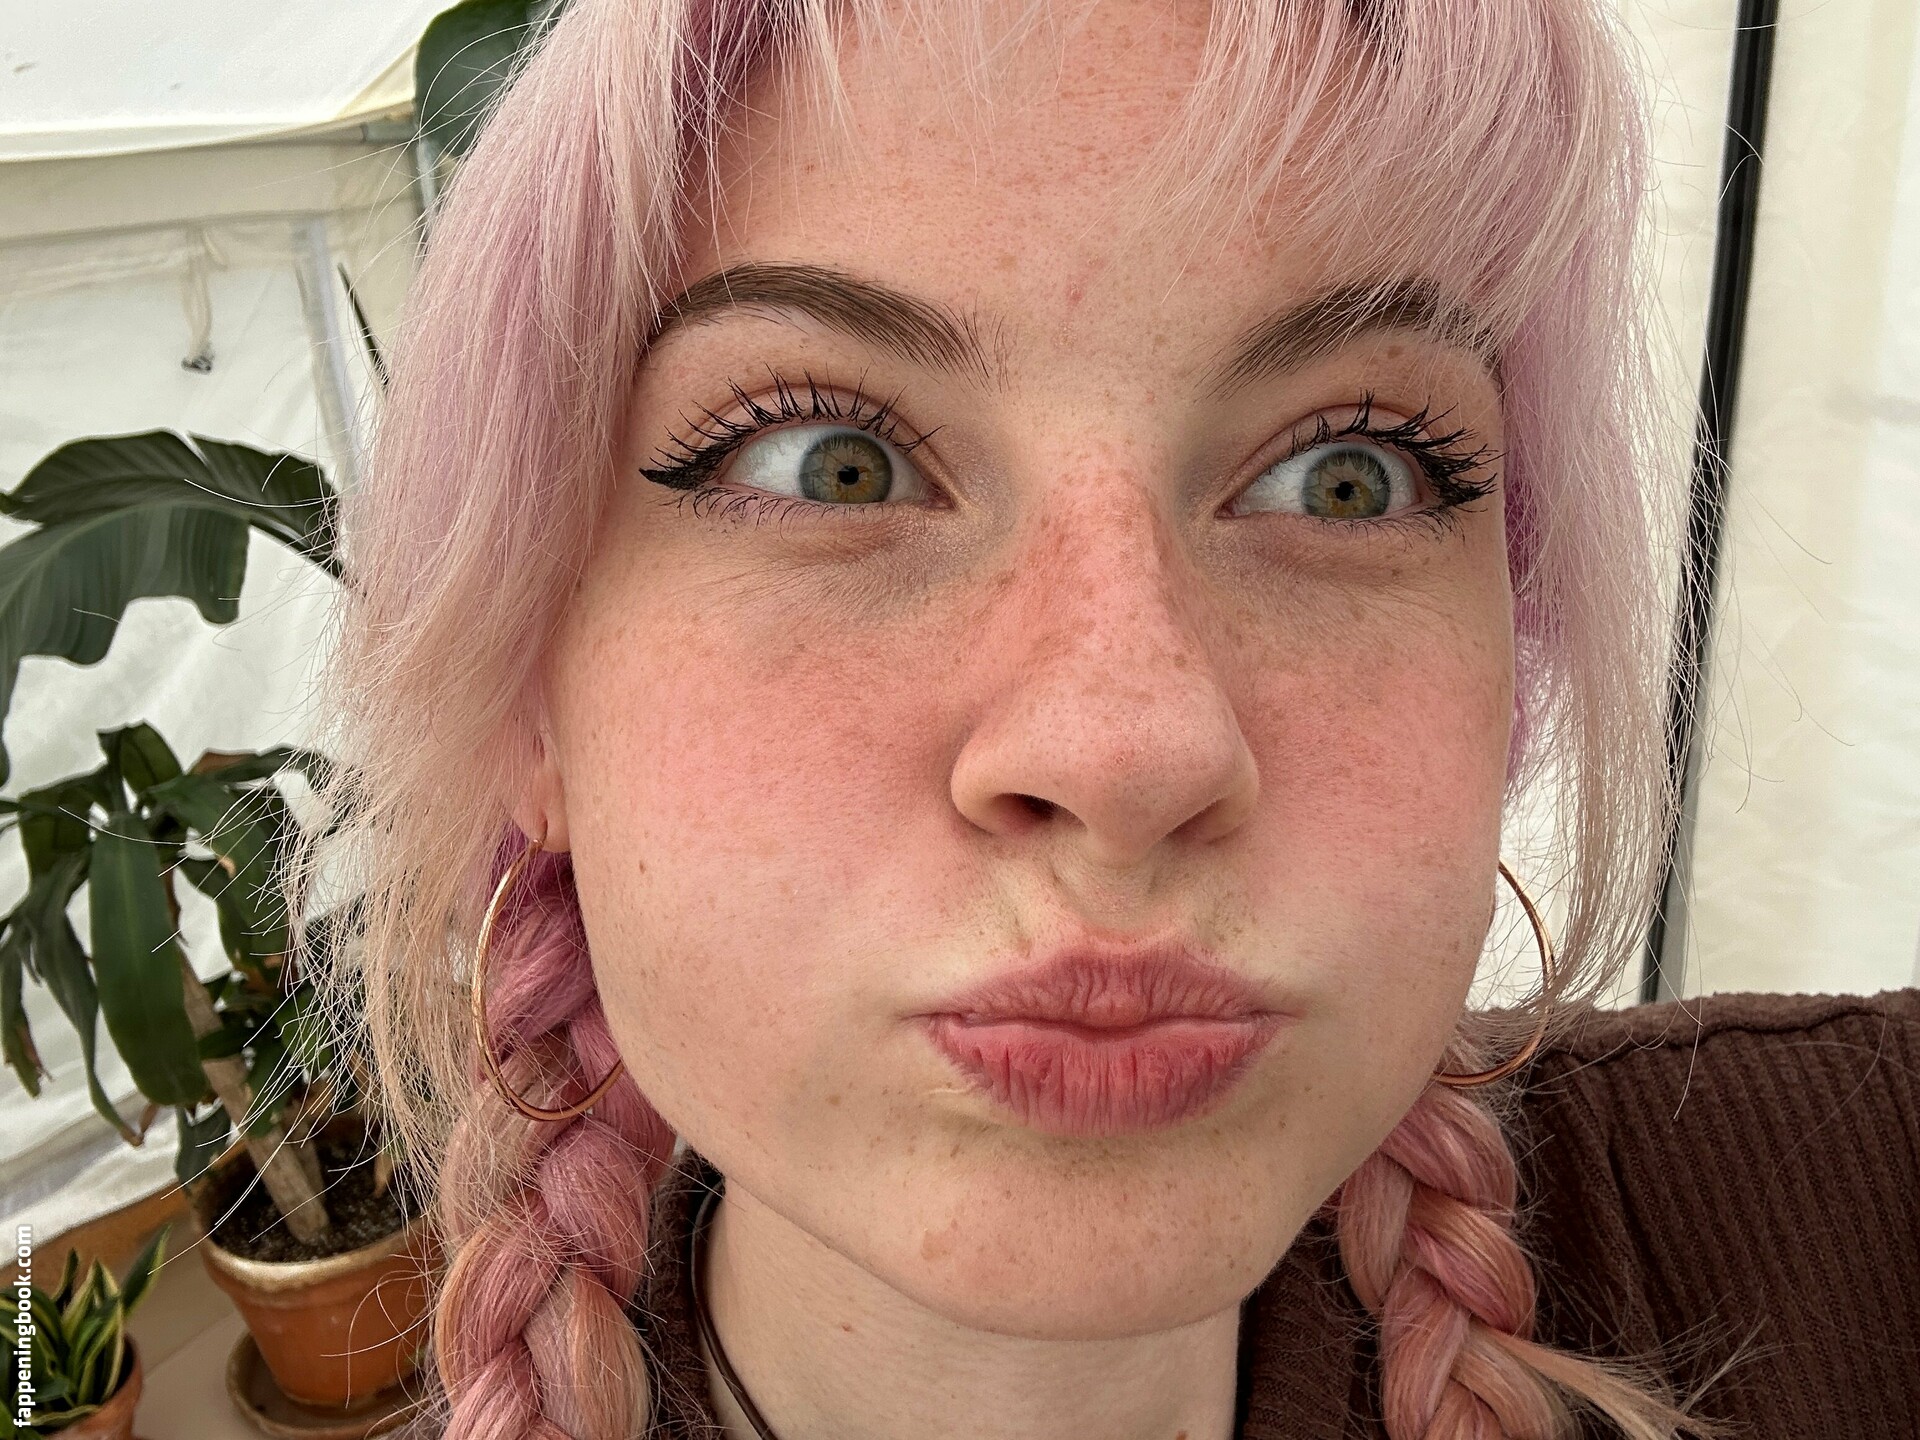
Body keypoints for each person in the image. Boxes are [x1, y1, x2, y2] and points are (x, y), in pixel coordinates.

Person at [302, 1, 1920, 1437]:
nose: (1128, 749)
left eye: (1347, 477)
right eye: (834, 464)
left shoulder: (1854, 1205)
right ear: (532, 699)